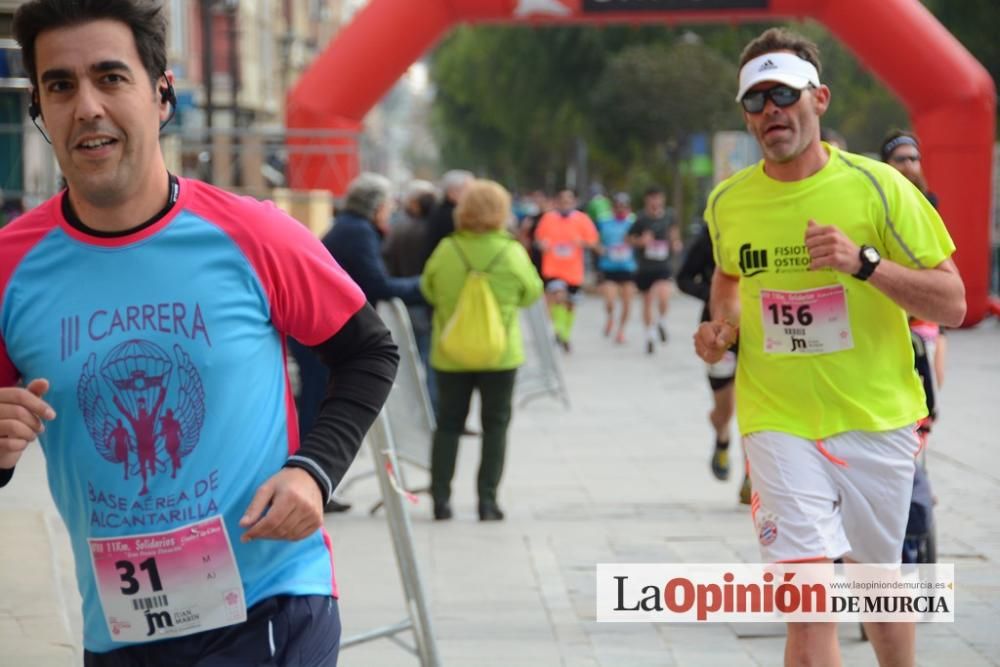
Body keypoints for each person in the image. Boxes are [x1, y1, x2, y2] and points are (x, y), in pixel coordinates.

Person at [3, 2, 399, 665]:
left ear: (162, 95)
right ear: (40, 111)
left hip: (271, 605)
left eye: (111, 77)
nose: (88, 106)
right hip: (120, 631)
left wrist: (314, 471)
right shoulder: (12, 265)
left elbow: (367, 350)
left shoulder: (253, 233)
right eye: (61, 85)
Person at [695, 27, 965, 667]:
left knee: (880, 591)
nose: (770, 113)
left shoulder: (879, 188)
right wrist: (721, 329)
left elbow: (952, 302)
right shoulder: (728, 201)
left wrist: (864, 264)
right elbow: (729, 278)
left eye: (783, 95)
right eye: (754, 102)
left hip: (876, 417)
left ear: (820, 98)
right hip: (777, 421)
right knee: (807, 602)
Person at [420, 179, 542, 521]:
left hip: (450, 354)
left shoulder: (447, 249)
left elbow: (428, 289)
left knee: (447, 424)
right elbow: (532, 293)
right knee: (496, 425)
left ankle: (441, 499)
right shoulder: (510, 251)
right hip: (499, 355)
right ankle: (487, 500)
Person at [676, 222, 751, 504]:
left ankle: (751, 475)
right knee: (725, 408)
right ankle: (721, 437)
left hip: (760, 332)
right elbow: (683, 278)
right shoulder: (713, 235)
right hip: (719, 331)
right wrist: (714, 295)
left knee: (753, 405)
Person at [533, 188, 599, 351]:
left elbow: (593, 242)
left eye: (568, 201)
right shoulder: (548, 218)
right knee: (558, 296)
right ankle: (558, 330)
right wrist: (542, 245)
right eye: (562, 201)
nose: (565, 204)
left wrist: (581, 243)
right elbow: (538, 239)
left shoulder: (582, 219)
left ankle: (566, 335)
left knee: (570, 303)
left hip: (574, 270)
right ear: (557, 202)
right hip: (553, 268)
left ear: (574, 202)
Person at [628, 186, 682, 354]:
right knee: (647, 300)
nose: (655, 202)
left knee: (664, 295)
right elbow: (629, 239)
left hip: (663, 265)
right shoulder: (640, 219)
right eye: (652, 198)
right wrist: (641, 241)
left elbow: (674, 234)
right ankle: (649, 334)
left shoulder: (669, 216)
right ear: (647, 200)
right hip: (645, 267)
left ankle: (662, 322)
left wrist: (676, 243)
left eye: (658, 198)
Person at [595, 192, 637, 344]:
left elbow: (640, 241)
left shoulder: (633, 221)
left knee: (627, 301)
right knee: (610, 300)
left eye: (624, 206)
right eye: (618, 206)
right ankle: (610, 318)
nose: (621, 209)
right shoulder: (604, 221)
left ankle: (621, 331)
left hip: (628, 267)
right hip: (609, 266)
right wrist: (600, 249)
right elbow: (595, 240)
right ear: (614, 206)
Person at [422, 169, 474, 267]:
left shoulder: (440, 210)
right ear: (452, 192)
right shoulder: (451, 215)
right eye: (468, 190)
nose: (473, 195)